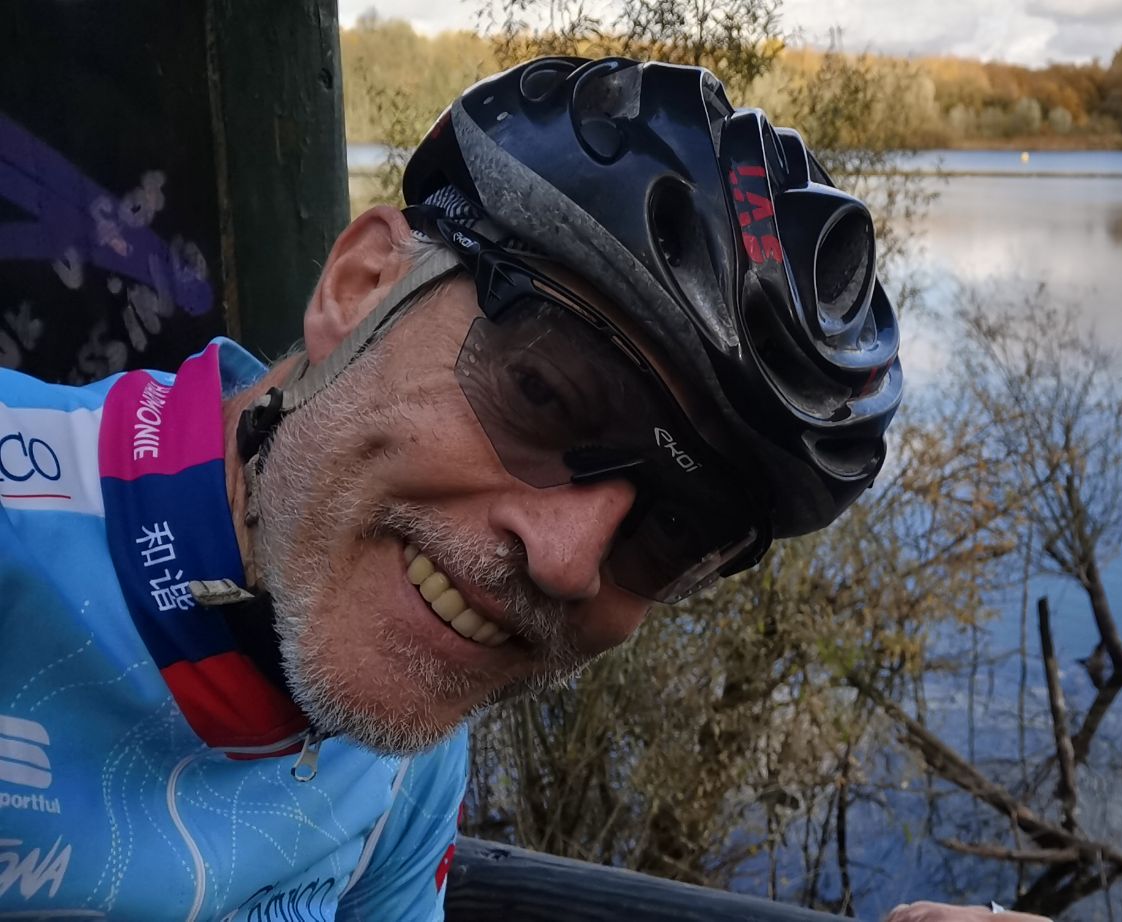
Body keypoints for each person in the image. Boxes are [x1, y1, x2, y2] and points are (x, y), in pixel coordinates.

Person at [0, 56, 1034, 922]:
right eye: (542, 393)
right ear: (360, 285)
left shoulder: (408, 759)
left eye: (673, 532)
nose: (569, 560)